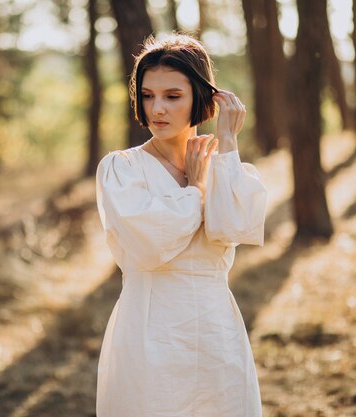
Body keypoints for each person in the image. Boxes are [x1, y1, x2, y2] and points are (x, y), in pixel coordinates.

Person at [95, 34, 267, 417]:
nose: (157, 108)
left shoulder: (225, 166)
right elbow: (151, 247)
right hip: (149, 330)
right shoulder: (122, 170)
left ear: (201, 99)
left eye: (173, 96)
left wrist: (227, 142)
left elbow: (237, 227)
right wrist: (194, 191)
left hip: (216, 333)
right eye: (147, 95)